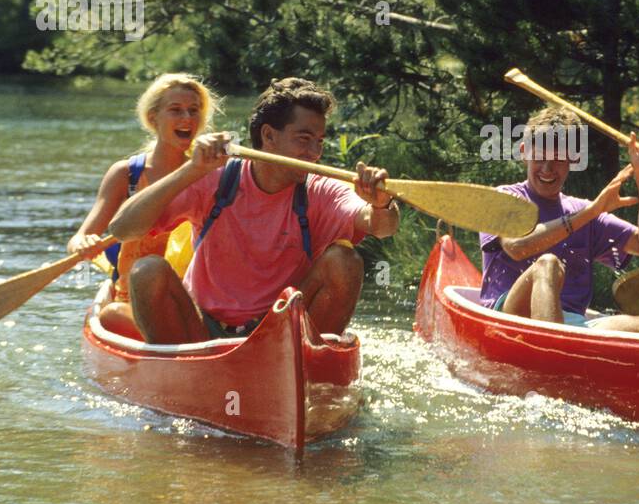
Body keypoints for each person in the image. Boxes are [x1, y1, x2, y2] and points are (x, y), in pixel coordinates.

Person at [107, 77, 398, 343]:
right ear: (269, 137)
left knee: (344, 260)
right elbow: (122, 228)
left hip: (279, 331)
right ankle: (174, 373)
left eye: (319, 141)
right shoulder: (215, 179)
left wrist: (381, 202)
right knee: (146, 270)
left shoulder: (321, 189)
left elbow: (382, 227)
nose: (315, 153)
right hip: (202, 330)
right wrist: (190, 171)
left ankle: (314, 370)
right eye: (304, 139)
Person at [479, 105, 639, 334]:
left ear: (573, 158)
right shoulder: (504, 198)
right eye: (539, 157)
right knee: (548, 265)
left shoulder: (584, 211)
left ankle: (564, 348)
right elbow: (517, 247)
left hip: (572, 324)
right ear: (525, 152)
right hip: (509, 316)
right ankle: (554, 354)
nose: (547, 169)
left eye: (557, 159)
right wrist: (592, 211)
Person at [68, 73, 218, 337]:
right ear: (153, 118)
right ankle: (176, 346)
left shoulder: (211, 174)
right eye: (176, 110)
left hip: (195, 304)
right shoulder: (126, 174)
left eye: (194, 111)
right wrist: (83, 244)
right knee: (111, 315)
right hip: (132, 304)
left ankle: (181, 342)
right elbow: (81, 236)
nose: (187, 118)